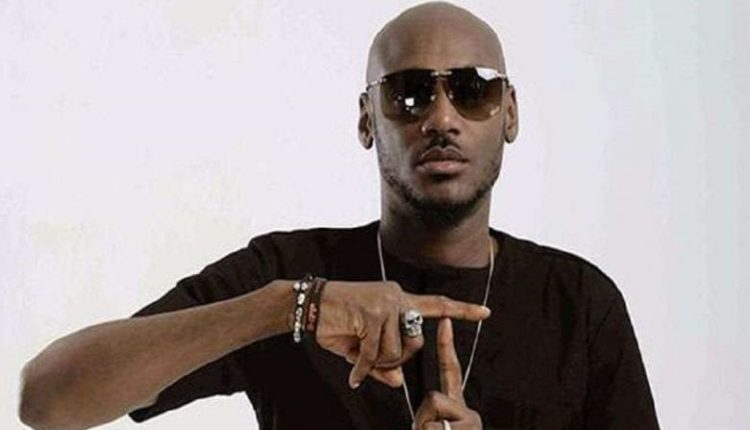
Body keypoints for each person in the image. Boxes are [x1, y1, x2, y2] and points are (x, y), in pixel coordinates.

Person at [18, 2, 660, 429]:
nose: (442, 117)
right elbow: (46, 400)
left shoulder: (578, 303)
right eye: (408, 93)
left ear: (509, 113)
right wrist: (289, 307)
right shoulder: (289, 273)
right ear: (366, 120)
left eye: (473, 90)